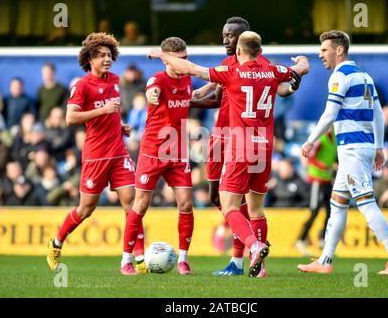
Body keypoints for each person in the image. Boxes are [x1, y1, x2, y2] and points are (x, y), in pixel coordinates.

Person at [148, 31, 309, 278]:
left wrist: (162, 55)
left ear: (238, 52)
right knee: (256, 210)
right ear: (261, 50)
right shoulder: (274, 71)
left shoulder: (232, 73)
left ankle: (254, 247)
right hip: (265, 148)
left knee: (229, 205)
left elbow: (191, 68)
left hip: (240, 147)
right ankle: (260, 268)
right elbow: (303, 66)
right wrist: (299, 66)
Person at [190, 16, 301, 276]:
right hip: (221, 136)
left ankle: (240, 259)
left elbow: (282, 88)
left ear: (243, 39)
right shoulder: (229, 64)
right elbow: (216, 96)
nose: (225, 39)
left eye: (231, 35)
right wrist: (191, 100)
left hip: (238, 140)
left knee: (236, 201)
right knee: (216, 196)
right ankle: (252, 242)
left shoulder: (257, 65)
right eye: (224, 34)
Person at [299, 30, 388, 275]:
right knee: (337, 203)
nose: (320, 55)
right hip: (363, 146)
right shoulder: (365, 76)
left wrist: (309, 141)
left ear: (339, 50)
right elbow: (379, 113)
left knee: (365, 202)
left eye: (324, 50)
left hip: (352, 149)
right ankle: (325, 261)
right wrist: (379, 146)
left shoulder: (339, 76)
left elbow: (330, 114)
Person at [46, 33, 136, 272]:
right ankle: (56, 242)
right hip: (95, 156)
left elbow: (112, 113)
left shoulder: (115, 79)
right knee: (86, 209)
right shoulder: (82, 86)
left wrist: (120, 125)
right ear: (90, 59)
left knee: (133, 205)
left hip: (118, 153)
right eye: (101, 55)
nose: (107, 59)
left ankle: (134, 260)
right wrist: (103, 110)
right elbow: (70, 118)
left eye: (109, 55)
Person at [121, 37, 205, 276]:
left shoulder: (188, 79)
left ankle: (183, 260)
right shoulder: (157, 80)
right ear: (168, 60)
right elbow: (152, 91)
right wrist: (152, 96)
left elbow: (192, 97)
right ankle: (126, 260)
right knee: (141, 205)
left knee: (186, 203)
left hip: (178, 150)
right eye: (181, 59)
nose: (185, 62)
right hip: (153, 150)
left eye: (186, 58)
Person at [295, 128, 336, 256]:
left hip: (327, 179)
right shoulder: (321, 140)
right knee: (315, 210)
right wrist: (324, 166)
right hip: (316, 179)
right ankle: (301, 239)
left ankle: (322, 239)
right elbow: (310, 159)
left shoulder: (334, 138)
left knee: (330, 210)